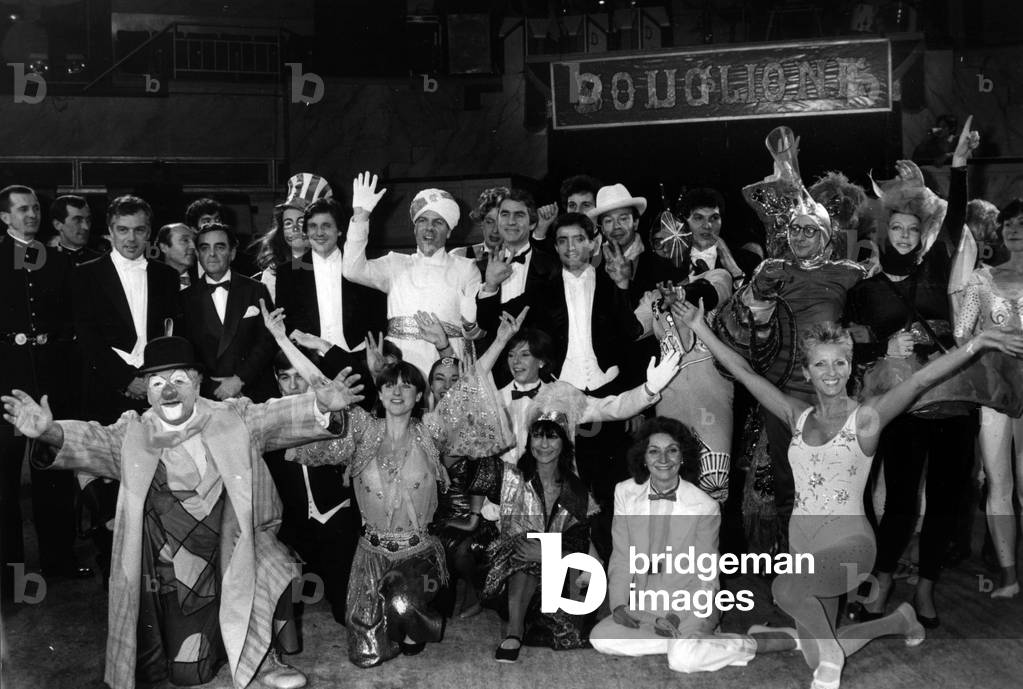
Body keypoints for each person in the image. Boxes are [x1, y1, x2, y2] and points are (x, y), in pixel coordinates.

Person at [675, 297, 1023, 689]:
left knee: (785, 587)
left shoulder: (867, 418)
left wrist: (980, 342)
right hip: (805, 548)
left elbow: (920, 380)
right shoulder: (796, 415)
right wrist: (700, 327)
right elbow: (743, 372)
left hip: (850, 548)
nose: (831, 372)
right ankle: (898, 620)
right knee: (815, 650)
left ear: (850, 365)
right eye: (820, 364)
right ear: (806, 371)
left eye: (839, 363)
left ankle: (831, 658)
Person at [2, 334, 366, 689]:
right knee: (190, 674)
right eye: (158, 383)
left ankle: (263, 659)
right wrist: (49, 431)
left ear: (197, 383)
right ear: (147, 391)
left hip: (235, 544)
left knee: (270, 564)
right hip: (176, 561)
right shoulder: (135, 432)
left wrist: (320, 406)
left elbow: (275, 416)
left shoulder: (232, 416)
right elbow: (92, 440)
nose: (168, 392)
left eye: (178, 381)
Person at [264, 303, 513, 668]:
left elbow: (468, 387)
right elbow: (320, 386)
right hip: (371, 552)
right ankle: (390, 621)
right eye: (389, 386)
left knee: (403, 603)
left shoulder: (431, 431)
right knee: (365, 655)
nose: (398, 392)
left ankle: (416, 620)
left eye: (407, 386)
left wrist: (501, 341)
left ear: (419, 395)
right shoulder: (362, 431)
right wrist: (282, 339)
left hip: (419, 553)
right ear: (379, 394)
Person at [845, 119, 980, 626]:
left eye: (912, 229)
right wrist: (883, 345)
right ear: (884, 230)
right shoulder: (865, 289)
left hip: (951, 393)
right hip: (900, 402)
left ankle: (925, 590)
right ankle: (881, 582)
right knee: (901, 499)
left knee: (946, 497)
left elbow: (956, 216)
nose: (904, 236)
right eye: (896, 228)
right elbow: (845, 346)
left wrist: (959, 165)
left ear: (922, 233)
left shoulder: (935, 267)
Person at [724, 127, 866, 550]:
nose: (801, 237)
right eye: (795, 230)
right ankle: (795, 560)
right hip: (783, 391)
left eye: (810, 230)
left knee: (833, 479)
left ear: (826, 235)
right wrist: (758, 291)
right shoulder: (773, 270)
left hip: (830, 391)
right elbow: (744, 321)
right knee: (788, 482)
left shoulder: (848, 273)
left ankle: (832, 556)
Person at [589, 417, 756, 673]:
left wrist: (675, 616)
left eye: (672, 450)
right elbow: (622, 556)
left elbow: (705, 574)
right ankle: (695, 643)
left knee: (683, 660)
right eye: (654, 451)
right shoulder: (625, 492)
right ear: (643, 458)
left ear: (683, 456)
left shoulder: (705, 506)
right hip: (647, 604)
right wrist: (620, 605)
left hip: (691, 600)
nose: (663, 459)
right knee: (600, 638)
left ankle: (733, 640)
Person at [0, 185, 90, 603]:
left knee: (52, 474)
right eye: (22, 209)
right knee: (4, 482)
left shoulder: (57, 260)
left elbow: (73, 317)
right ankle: (9, 576)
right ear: (5, 217)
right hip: (6, 380)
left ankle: (58, 560)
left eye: (35, 208)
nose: (31, 215)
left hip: (51, 378)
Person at [472, 383, 602, 662]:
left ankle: (533, 620)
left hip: (558, 571)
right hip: (510, 567)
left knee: (572, 630)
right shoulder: (509, 476)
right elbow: (476, 466)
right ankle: (514, 632)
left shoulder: (577, 491)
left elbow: (580, 544)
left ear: (564, 443)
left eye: (551, 437)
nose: (543, 445)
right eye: (537, 436)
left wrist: (548, 553)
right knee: (526, 550)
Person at [342, 172, 482, 376]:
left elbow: (475, 327)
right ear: (414, 228)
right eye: (423, 221)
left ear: (450, 231)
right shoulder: (395, 263)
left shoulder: (465, 268)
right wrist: (361, 217)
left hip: (446, 361)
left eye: (438, 222)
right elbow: (352, 270)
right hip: (400, 362)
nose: (429, 228)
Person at [955, 196, 1023, 599]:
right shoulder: (981, 280)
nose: (1014, 230)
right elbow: (961, 334)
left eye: (1022, 223)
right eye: (1009, 223)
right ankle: (1009, 578)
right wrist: (989, 341)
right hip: (994, 390)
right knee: (999, 483)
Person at [179, 223, 277, 402]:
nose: (212, 254)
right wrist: (214, 388)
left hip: (255, 391)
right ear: (198, 254)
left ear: (232, 253)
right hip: (209, 396)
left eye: (220, 247)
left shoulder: (257, 289)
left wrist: (239, 379)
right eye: (205, 248)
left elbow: (268, 341)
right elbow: (185, 352)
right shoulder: (184, 299)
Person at [275, 197, 384, 357]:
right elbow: (286, 323)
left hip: (356, 357)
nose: (319, 233)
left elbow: (378, 318)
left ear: (339, 230)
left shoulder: (362, 267)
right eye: (313, 226)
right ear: (306, 231)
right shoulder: (287, 273)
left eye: (326, 226)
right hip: (309, 361)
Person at [255, 172, 330, 301]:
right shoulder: (272, 273)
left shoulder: (332, 265)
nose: (295, 229)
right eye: (288, 223)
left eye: (301, 222)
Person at [49, 194, 102, 265]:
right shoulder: (45, 261)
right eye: (78, 220)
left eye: (88, 220)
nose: (86, 227)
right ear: (57, 224)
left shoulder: (102, 261)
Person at [156, 222, 198, 290]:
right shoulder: (150, 282)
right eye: (185, 240)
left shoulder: (202, 281)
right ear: (164, 247)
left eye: (194, 241)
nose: (193, 246)